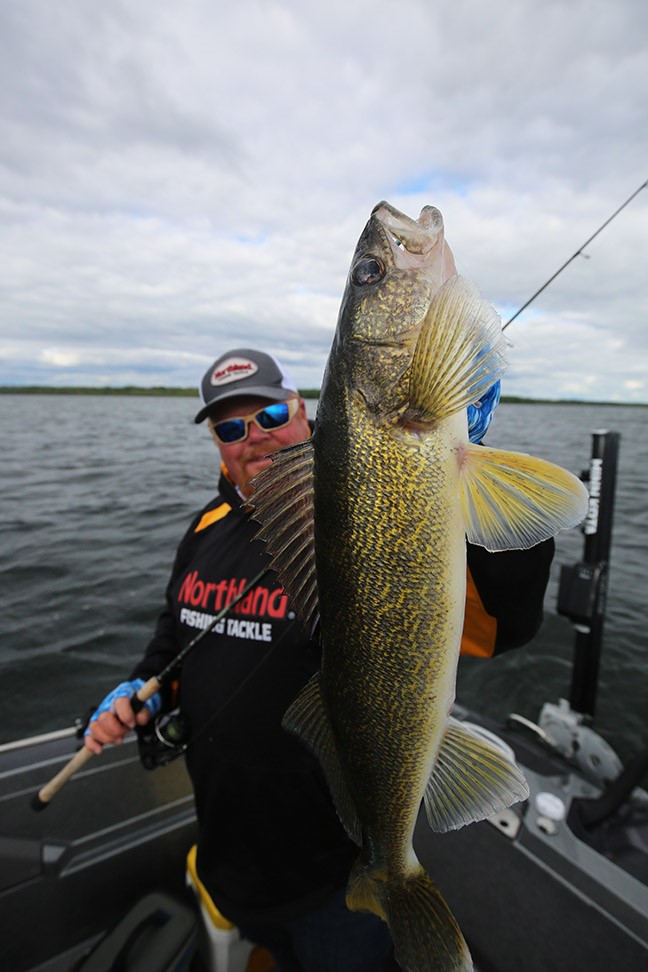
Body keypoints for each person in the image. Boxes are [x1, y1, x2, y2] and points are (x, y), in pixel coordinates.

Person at [85, 347, 554, 972]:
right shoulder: (204, 528)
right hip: (227, 850)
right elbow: (174, 636)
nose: (253, 437)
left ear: (304, 410)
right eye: (230, 428)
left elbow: (496, 627)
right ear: (216, 445)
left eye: (270, 413)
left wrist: (456, 478)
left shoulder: (357, 519)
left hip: (332, 872)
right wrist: (143, 690)